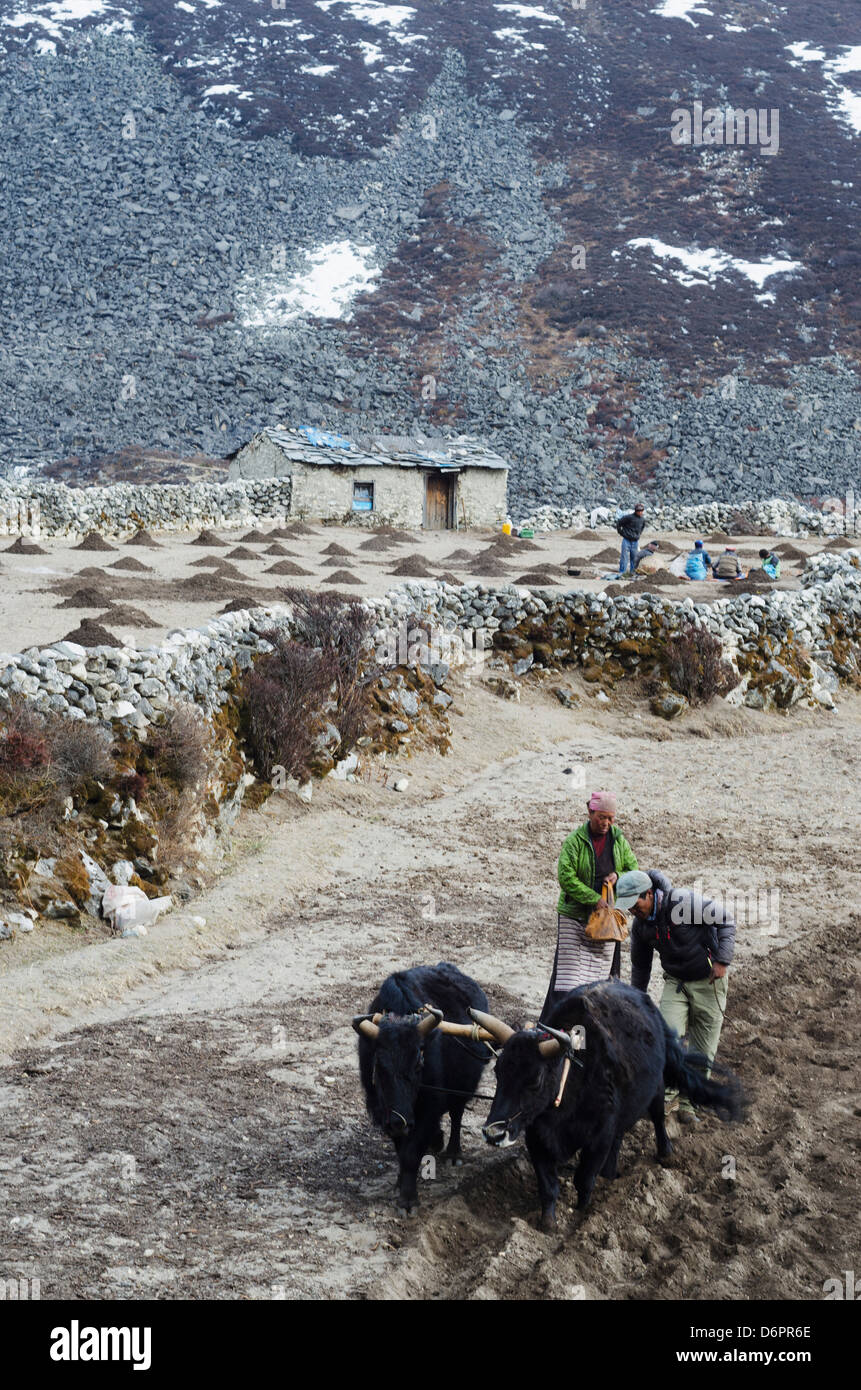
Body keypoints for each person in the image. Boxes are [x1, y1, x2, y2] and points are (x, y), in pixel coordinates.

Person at [615, 868, 736, 1125]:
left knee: (703, 1050)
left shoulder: (682, 902)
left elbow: (725, 919)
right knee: (668, 1038)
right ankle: (666, 1099)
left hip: (710, 982)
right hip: (676, 983)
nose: (632, 912)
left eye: (634, 905)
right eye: (627, 908)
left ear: (648, 894)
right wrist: (637, 1000)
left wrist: (723, 960)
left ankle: (688, 1105)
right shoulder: (641, 927)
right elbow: (640, 967)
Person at [541, 791, 638, 1020]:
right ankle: (556, 1026)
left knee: (602, 981)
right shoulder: (574, 841)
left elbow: (633, 870)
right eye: (601, 817)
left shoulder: (618, 840)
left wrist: (617, 875)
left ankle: (595, 1026)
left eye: (610, 818)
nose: (606, 823)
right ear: (590, 812)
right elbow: (566, 878)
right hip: (574, 918)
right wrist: (593, 899)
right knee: (567, 980)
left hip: (606, 924)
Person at [615, 504, 646, 575]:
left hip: (635, 542)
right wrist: (621, 533)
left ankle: (632, 572)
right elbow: (619, 523)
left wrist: (638, 535)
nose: (640, 512)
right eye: (639, 511)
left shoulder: (642, 520)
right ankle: (622, 572)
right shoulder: (629, 517)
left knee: (634, 558)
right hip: (626, 540)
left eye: (641, 511)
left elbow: (642, 528)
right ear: (636, 511)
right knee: (624, 557)